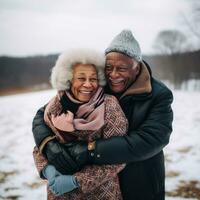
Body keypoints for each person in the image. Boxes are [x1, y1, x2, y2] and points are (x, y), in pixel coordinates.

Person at [32, 30, 173, 200]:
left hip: (139, 180)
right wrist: (48, 145)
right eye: (109, 67)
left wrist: (89, 150)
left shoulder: (158, 94)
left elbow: (150, 139)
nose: (113, 75)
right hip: (95, 187)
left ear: (137, 68)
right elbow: (43, 116)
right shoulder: (96, 84)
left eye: (121, 68)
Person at [32, 48, 128, 199]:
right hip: (59, 194)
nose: (88, 85)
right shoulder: (54, 106)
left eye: (93, 79)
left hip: (101, 194)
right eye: (81, 78)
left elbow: (119, 156)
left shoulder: (109, 106)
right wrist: (47, 170)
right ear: (69, 79)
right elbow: (40, 146)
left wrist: (77, 181)